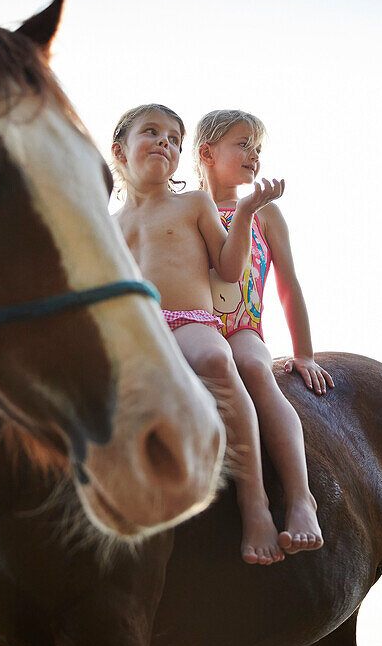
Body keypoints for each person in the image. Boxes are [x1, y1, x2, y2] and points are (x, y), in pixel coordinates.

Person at [112, 104, 285, 565]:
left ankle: (255, 503)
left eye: (174, 139)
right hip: (143, 334)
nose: (165, 143)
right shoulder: (112, 226)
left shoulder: (193, 203)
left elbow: (229, 270)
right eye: (152, 132)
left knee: (213, 359)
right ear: (119, 151)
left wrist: (246, 212)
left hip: (191, 319)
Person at [193, 109, 334, 554]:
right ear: (206, 152)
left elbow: (288, 283)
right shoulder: (187, 209)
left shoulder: (265, 213)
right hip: (195, 327)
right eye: (243, 144)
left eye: (258, 148)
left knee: (255, 368)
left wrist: (304, 353)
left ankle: (299, 498)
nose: (254, 155)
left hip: (243, 328)